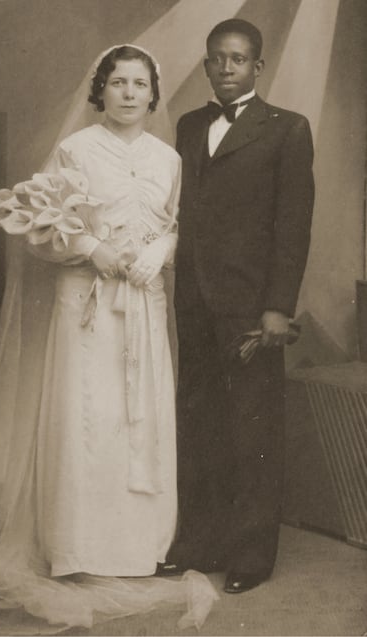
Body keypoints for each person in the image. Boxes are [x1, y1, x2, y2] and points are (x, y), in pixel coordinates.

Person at [0, 44, 216, 632]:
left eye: (139, 83)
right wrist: (92, 248)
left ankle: (139, 549)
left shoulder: (167, 158)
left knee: (139, 419)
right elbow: (39, 229)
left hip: (143, 304)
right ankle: (78, 547)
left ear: (154, 92)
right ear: (101, 90)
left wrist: (161, 250)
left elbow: (177, 223)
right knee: (88, 418)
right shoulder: (74, 150)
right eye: (117, 82)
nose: (128, 93)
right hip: (86, 308)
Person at [161, 19, 314, 593]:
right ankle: (199, 540)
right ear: (205, 66)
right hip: (194, 300)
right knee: (197, 420)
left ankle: (252, 554)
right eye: (217, 60)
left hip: (252, 304)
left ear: (258, 66)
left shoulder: (287, 129)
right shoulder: (189, 124)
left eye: (239, 59)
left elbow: (292, 226)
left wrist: (278, 306)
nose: (227, 69)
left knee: (253, 426)